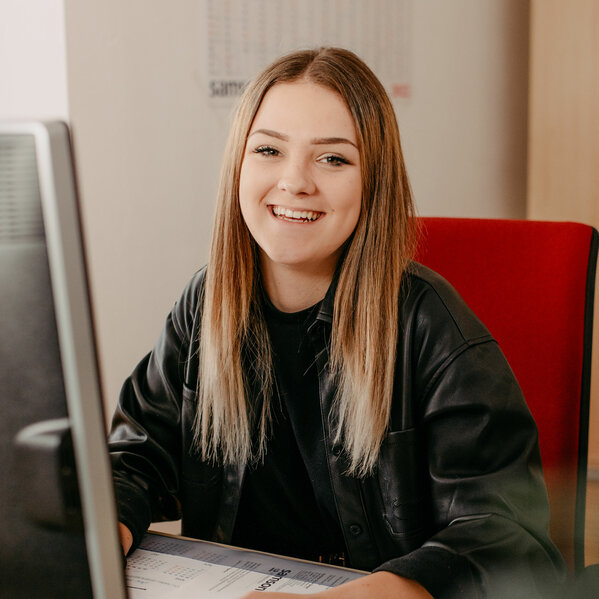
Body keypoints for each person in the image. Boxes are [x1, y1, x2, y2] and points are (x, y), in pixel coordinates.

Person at [109, 47, 566, 598]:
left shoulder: (429, 325)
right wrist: (99, 536)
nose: (295, 181)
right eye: (269, 150)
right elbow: (136, 456)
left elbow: (507, 538)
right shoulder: (207, 304)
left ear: (374, 182)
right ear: (238, 165)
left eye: (333, 159)